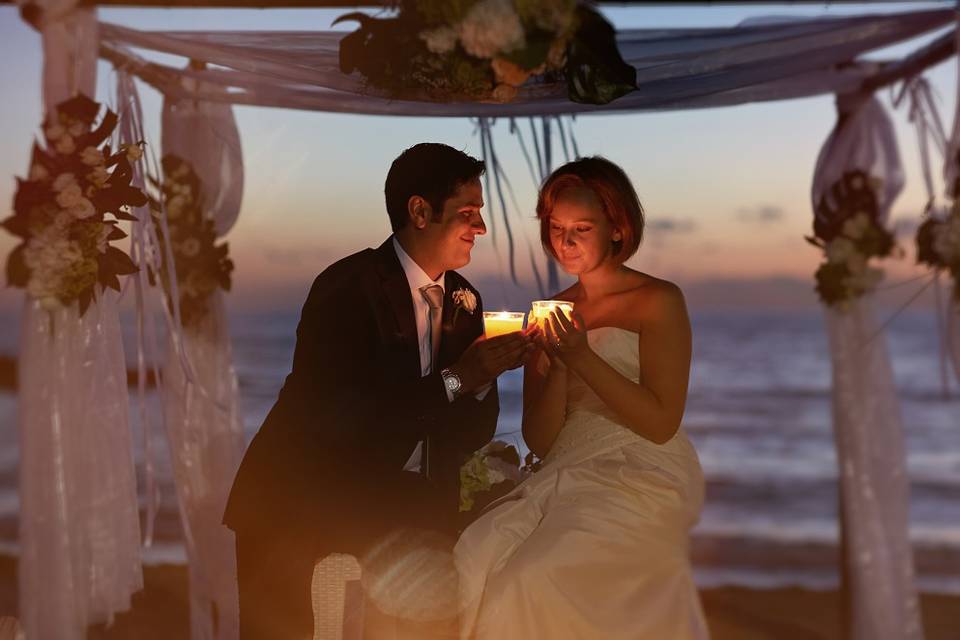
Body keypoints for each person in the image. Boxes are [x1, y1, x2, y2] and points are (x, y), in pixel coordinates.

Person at [223, 143, 531, 639]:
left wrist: (480, 383)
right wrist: (458, 379)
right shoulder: (345, 288)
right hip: (302, 495)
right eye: (468, 213)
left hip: (401, 499)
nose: (481, 228)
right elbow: (344, 419)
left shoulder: (466, 302)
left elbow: (471, 431)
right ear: (419, 211)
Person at [455, 156, 709, 639]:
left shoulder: (659, 301)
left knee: (534, 578)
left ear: (618, 227)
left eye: (582, 228)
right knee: (480, 556)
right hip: (567, 464)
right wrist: (556, 367)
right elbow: (543, 440)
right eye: (556, 228)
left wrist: (582, 357)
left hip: (641, 464)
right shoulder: (553, 310)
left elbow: (660, 423)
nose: (565, 243)